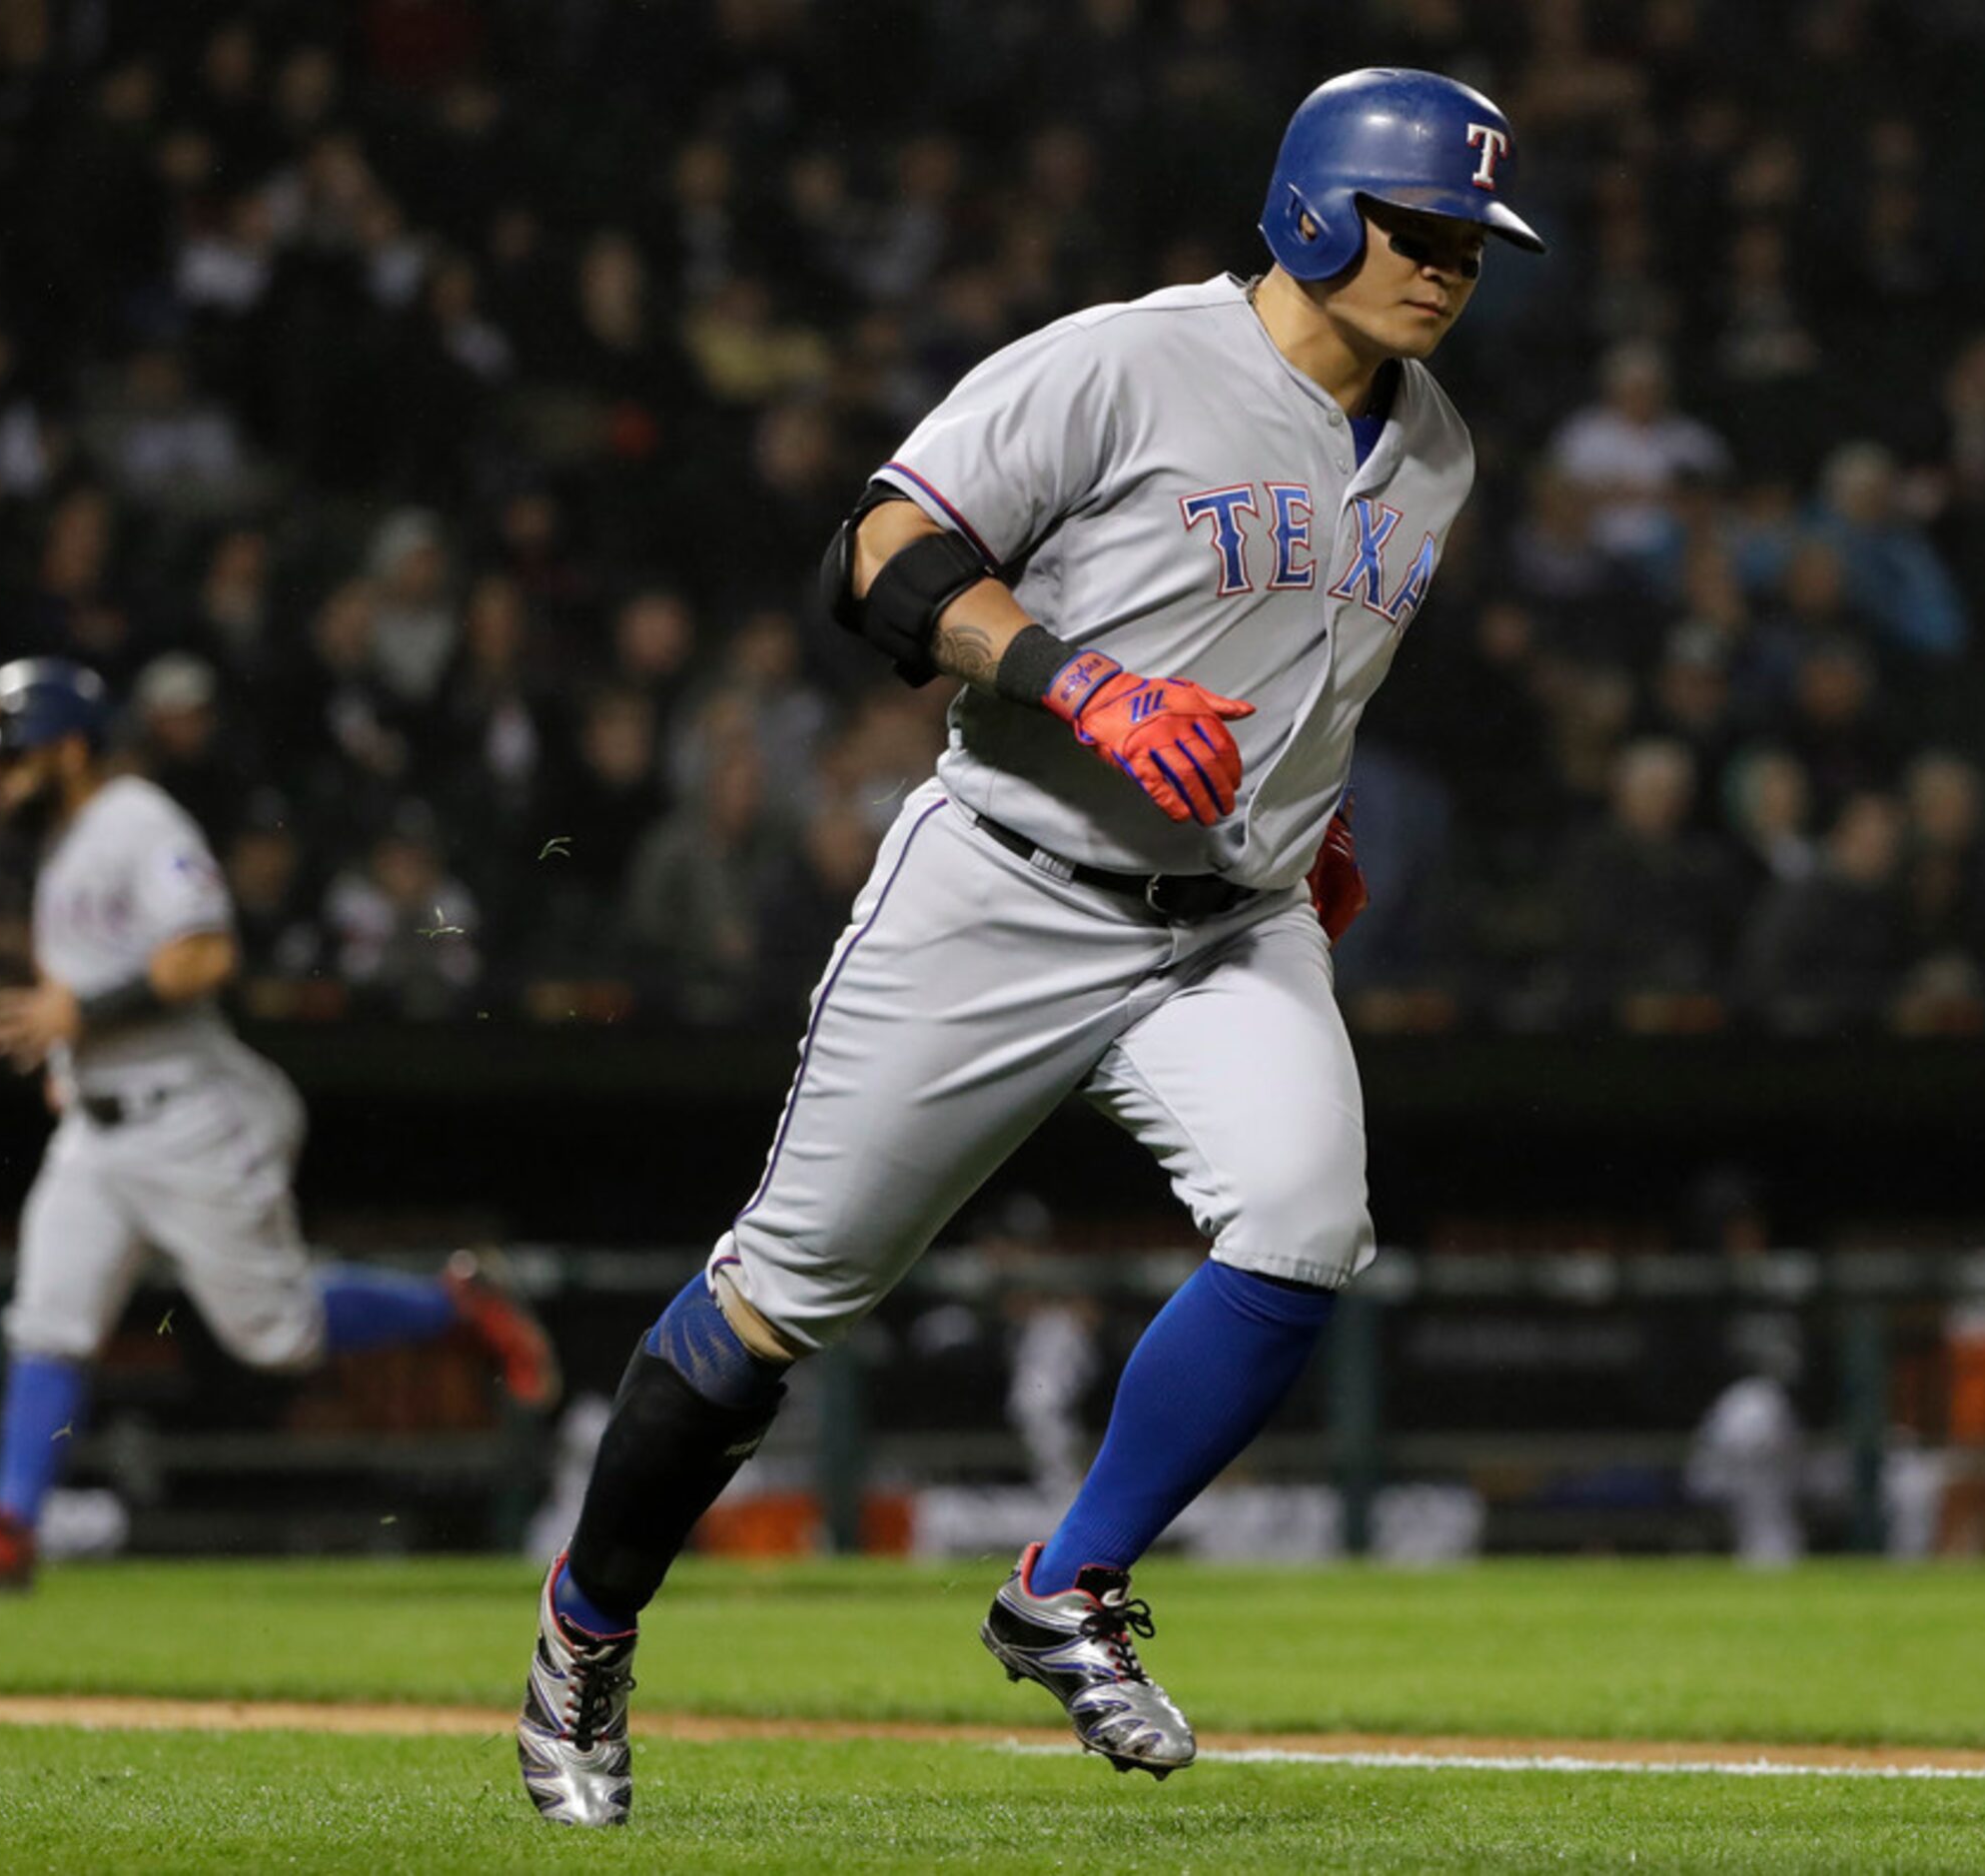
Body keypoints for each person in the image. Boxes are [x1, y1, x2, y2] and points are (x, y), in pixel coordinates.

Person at [514, 68, 1543, 1828]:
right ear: (1311, 208)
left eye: (1471, 238)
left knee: (1306, 1221)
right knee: (780, 1301)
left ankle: (1065, 1584)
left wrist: (1323, 821)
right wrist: (1077, 675)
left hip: (1233, 922)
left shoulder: (1437, 447)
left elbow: (1314, 664)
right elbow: (875, 550)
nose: (1449, 264)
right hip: (1006, 885)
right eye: (1419, 225)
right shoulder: (1127, 359)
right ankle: (584, 1633)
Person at [0, 659, 556, 1590]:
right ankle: (7, 1532)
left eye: (17, 755)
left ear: (71, 749)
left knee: (276, 1337)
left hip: (189, 1120)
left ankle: (454, 1304)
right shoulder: (66, 842)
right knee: (47, 1322)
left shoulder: (138, 821)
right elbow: (85, 986)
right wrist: (67, 1055)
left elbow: (204, 955)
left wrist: (80, 1016)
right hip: (97, 1129)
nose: (0, 777)